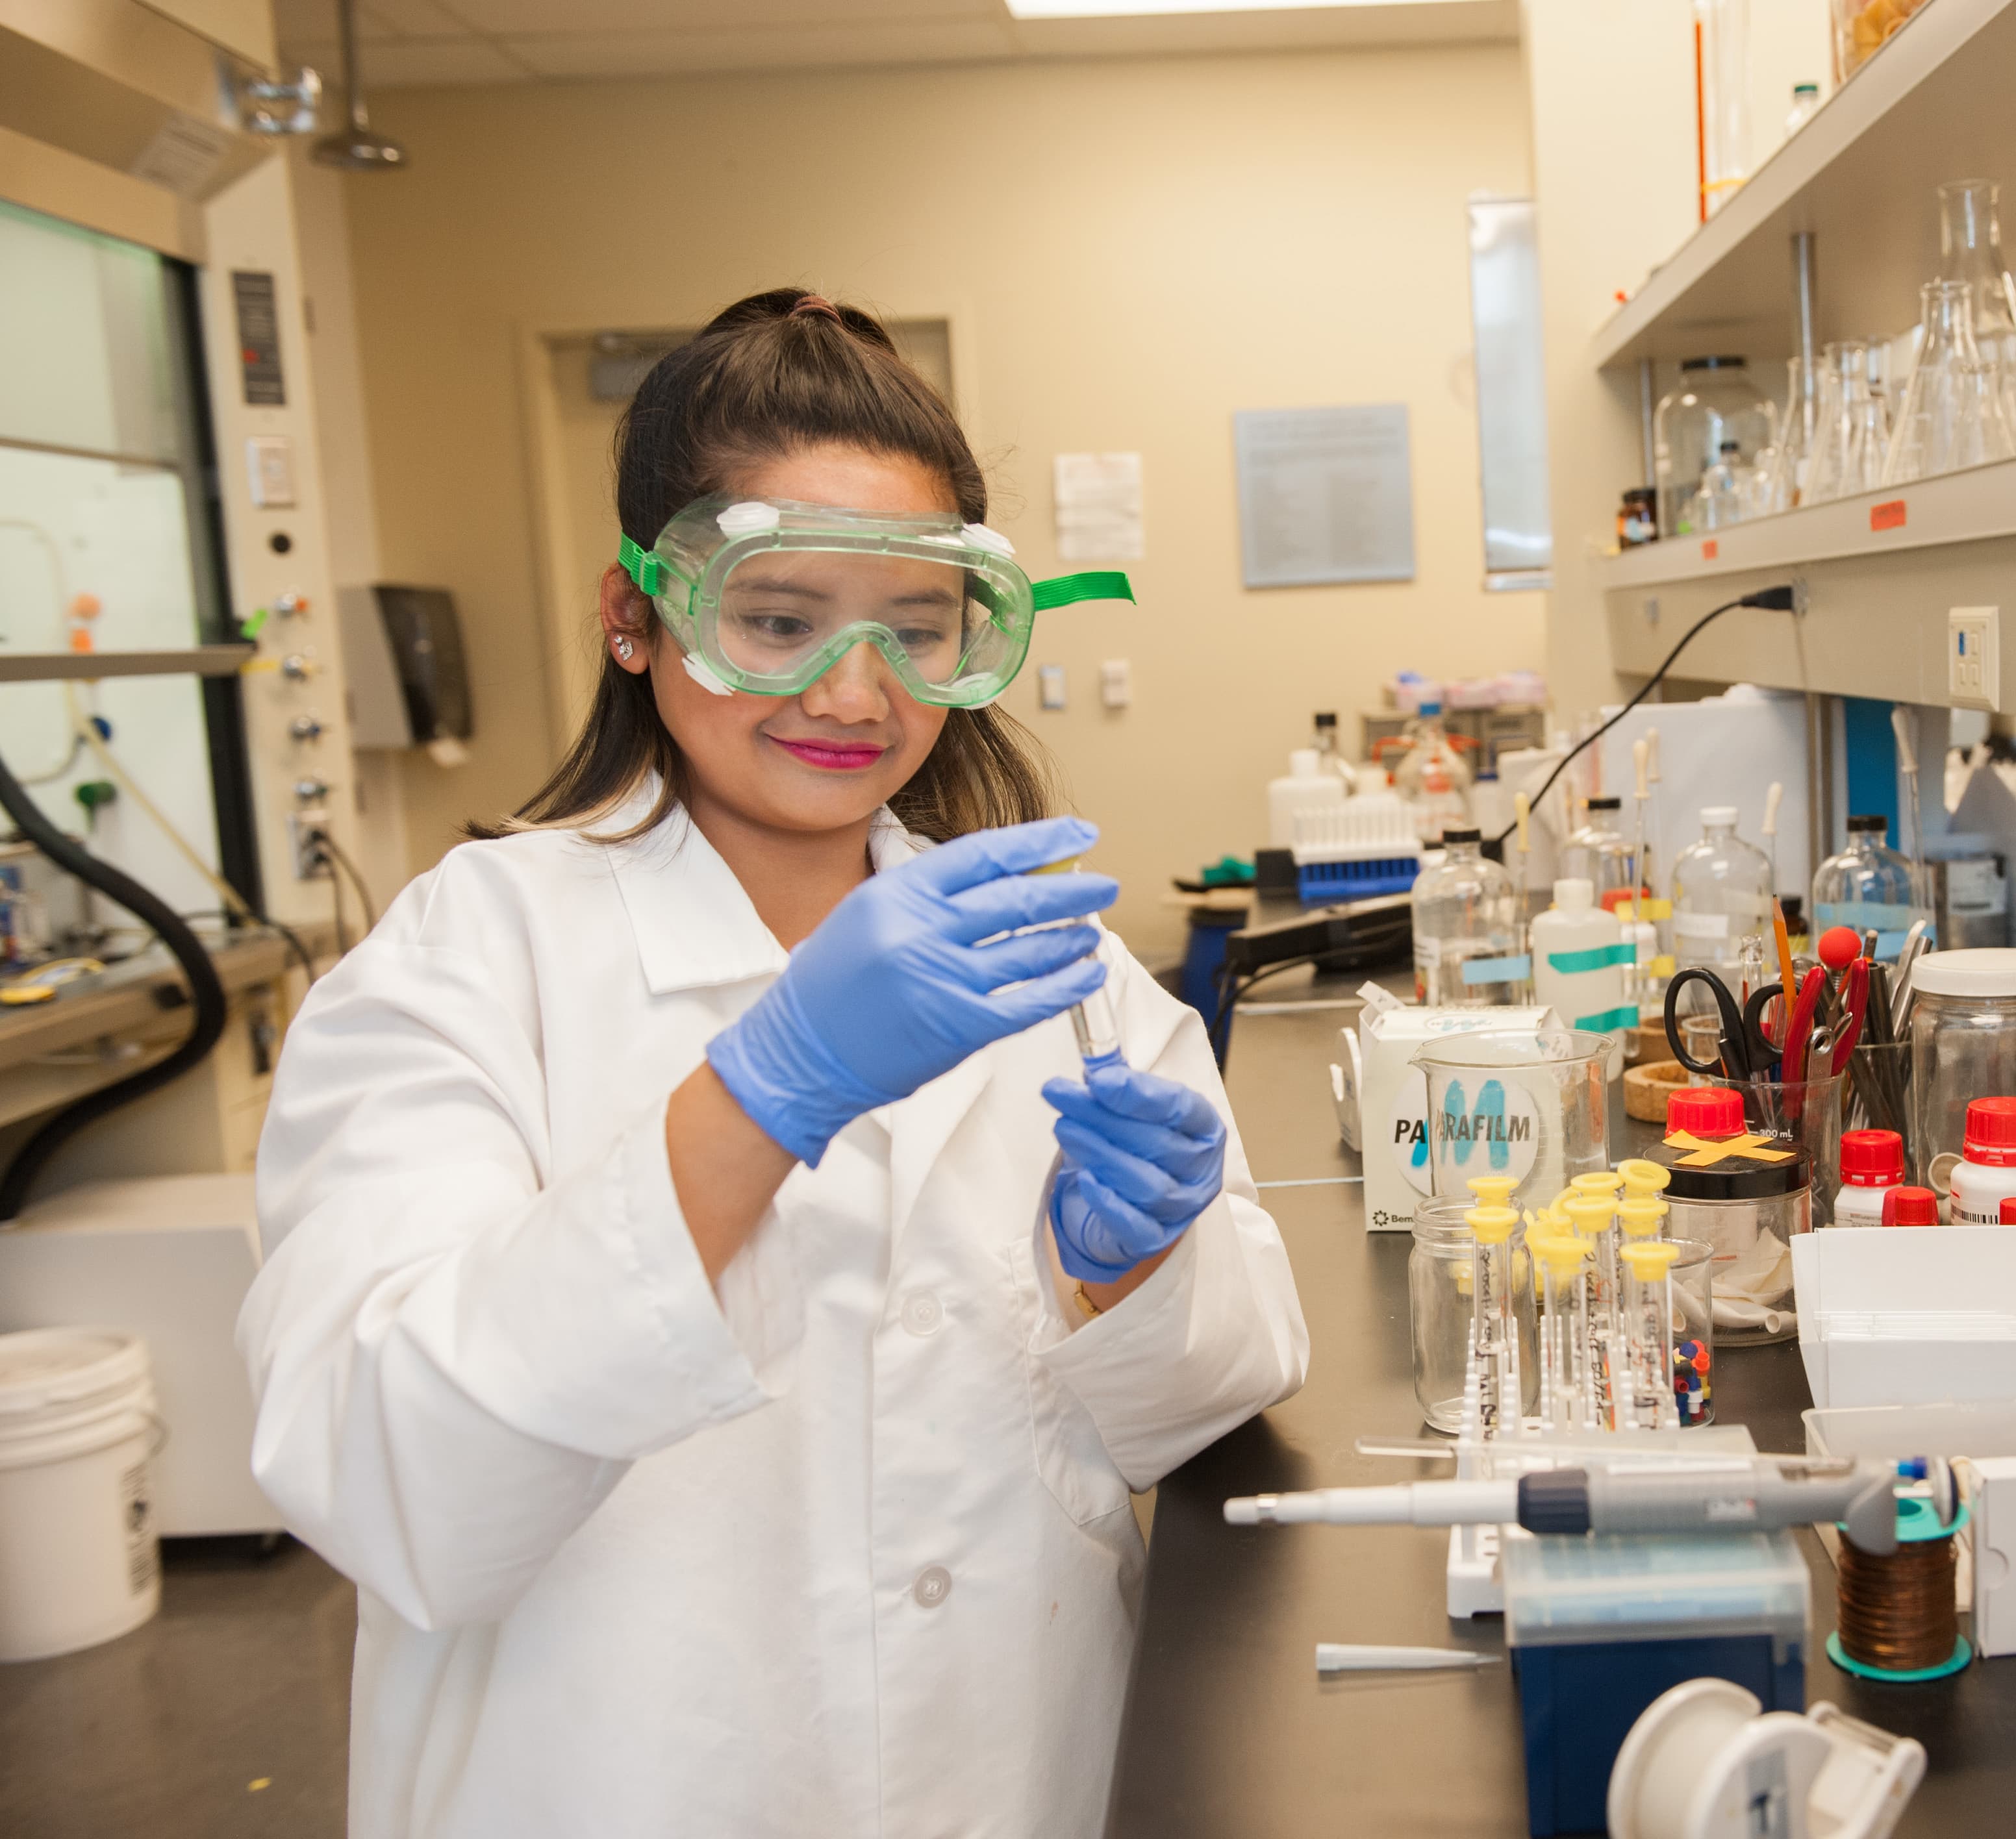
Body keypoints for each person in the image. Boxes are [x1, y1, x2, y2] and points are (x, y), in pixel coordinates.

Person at [237, 289, 1309, 1838]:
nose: (856, 692)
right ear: (637, 615)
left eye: (918, 629)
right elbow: (393, 1480)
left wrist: (1132, 1275)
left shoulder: (1049, 957)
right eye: (780, 619)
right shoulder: (466, 960)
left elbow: (1212, 1403)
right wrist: (765, 1092)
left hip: (1018, 1779)